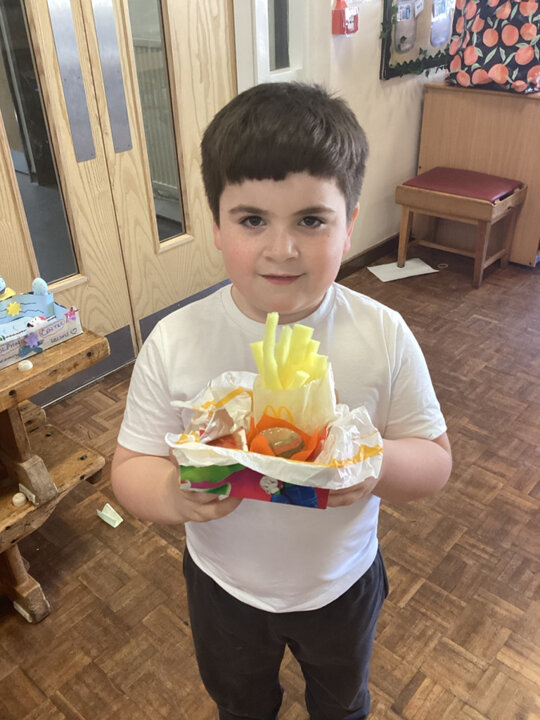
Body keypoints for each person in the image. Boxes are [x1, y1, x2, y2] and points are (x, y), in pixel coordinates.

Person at [111, 82, 452, 720]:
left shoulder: (381, 334)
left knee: (342, 703)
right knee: (241, 705)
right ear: (216, 225)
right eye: (252, 220)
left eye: (311, 220)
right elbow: (130, 467)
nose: (281, 248)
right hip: (225, 588)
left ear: (350, 226)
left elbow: (434, 461)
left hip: (341, 583)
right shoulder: (176, 341)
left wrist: (372, 464)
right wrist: (174, 496)